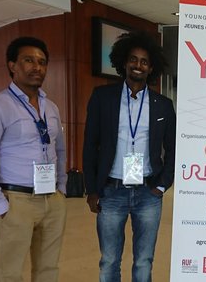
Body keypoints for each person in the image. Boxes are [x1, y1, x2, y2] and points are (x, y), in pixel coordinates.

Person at [83, 31, 176, 282]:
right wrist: (92, 189)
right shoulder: (103, 97)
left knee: (144, 261)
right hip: (111, 191)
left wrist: (162, 184)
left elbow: (173, 148)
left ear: (151, 67)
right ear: (124, 62)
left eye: (144, 61)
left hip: (148, 193)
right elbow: (90, 144)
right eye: (133, 59)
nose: (138, 65)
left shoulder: (163, 105)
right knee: (109, 261)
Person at [0, 36, 67, 281]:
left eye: (42, 62)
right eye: (29, 61)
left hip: (51, 200)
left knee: (48, 270)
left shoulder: (51, 107)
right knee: (9, 273)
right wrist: (0, 206)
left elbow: (60, 150)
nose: (37, 67)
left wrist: (61, 189)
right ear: (13, 66)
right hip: (16, 201)